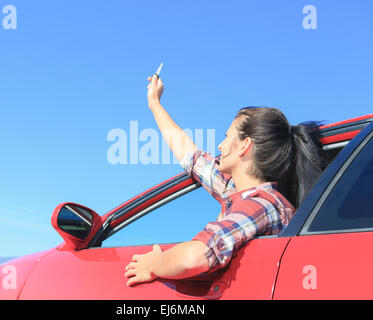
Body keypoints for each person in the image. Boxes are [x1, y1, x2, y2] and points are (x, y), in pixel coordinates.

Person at [124, 73, 328, 287]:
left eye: (226, 136)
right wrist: (155, 104)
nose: (220, 146)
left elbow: (197, 256)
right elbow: (189, 155)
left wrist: (157, 263)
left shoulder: (261, 205)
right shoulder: (234, 191)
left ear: (244, 145)